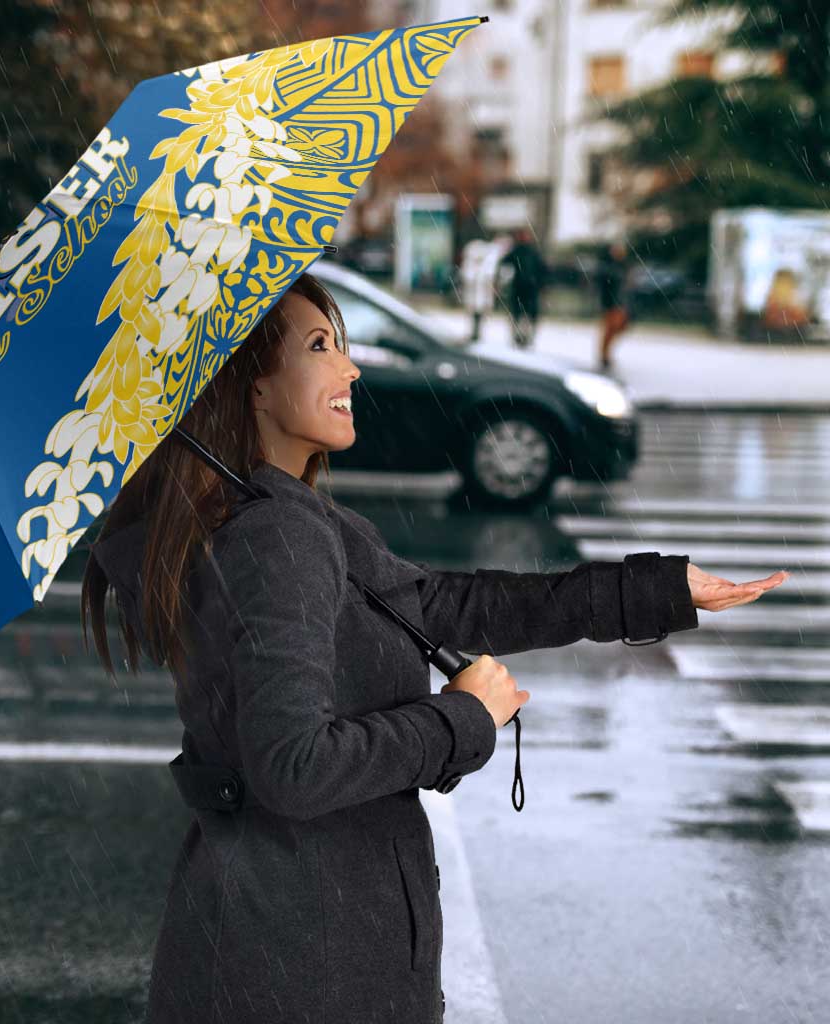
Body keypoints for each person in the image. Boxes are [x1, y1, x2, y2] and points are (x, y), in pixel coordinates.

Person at [82, 272, 788, 1024]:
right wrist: (461, 719)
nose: (350, 368)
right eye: (320, 346)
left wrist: (655, 590)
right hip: (303, 963)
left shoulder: (285, 519)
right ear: (252, 387)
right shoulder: (276, 536)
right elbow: (293, 767)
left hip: (284, 944)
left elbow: (450, 606)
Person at [498, 226, 548, 349]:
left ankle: (525, 337)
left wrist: (541, 284)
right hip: (521, 288)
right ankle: (519, 337)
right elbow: (504, 264)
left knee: (526, 315)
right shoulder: (518, 251)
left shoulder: (531, 252)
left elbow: (542, 270)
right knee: (519, 314)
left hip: (529, 288)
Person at [596, 239, 632, 370]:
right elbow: (605, 286)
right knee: (610, 329)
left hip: (620, 303)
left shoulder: (623, 266)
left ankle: (605, 354)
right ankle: (604, 355)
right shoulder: (608, 267)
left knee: (618, 328)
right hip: (611, 303)